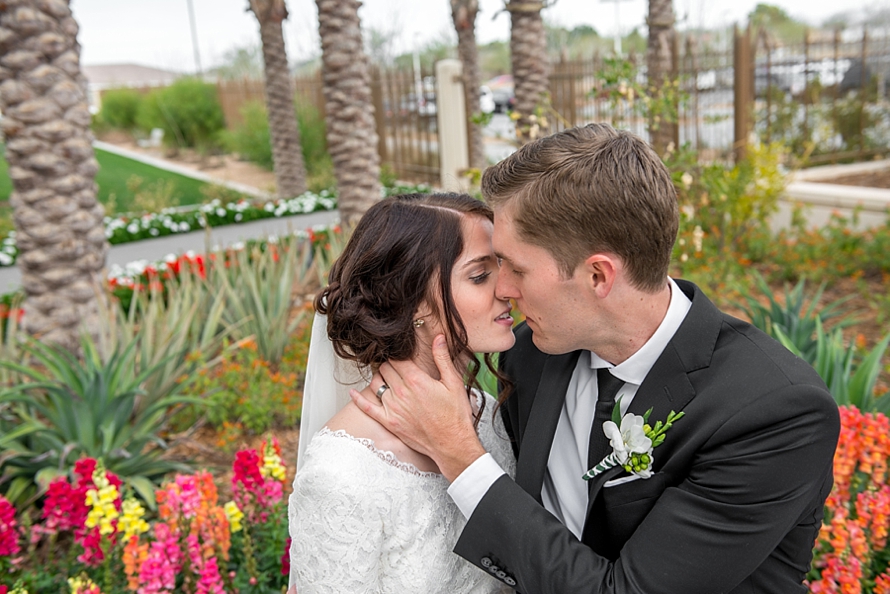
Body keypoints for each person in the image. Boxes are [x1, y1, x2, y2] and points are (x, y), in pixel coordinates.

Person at [352, 123, 841, 593]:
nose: (504, 289)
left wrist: (461, 456)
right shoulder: (529, 357)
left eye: (517, 268)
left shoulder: (773, 412)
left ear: (598, 276)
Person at [287, 193, 518, 593]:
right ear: (413, 302)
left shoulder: (487, 414)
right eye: (480, 275)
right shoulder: (342, 473)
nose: (507, 288)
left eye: (502, 265)